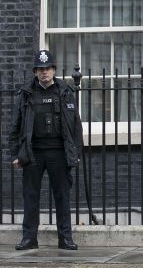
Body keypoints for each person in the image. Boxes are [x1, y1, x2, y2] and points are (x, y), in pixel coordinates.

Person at [9, 49, 83, 250]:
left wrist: (75, 153)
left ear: (54, 70)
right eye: (40, 69)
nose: (44, 72)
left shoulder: (65, 91)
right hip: (33, 151)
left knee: (62, 196)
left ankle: (65, 239)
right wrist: (15, 154)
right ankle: (29, 238)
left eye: (48, 68)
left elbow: (76, 125)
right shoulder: (26, 94)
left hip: (58, 151)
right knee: (30, 195)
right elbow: (15, 126)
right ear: (35, 72)